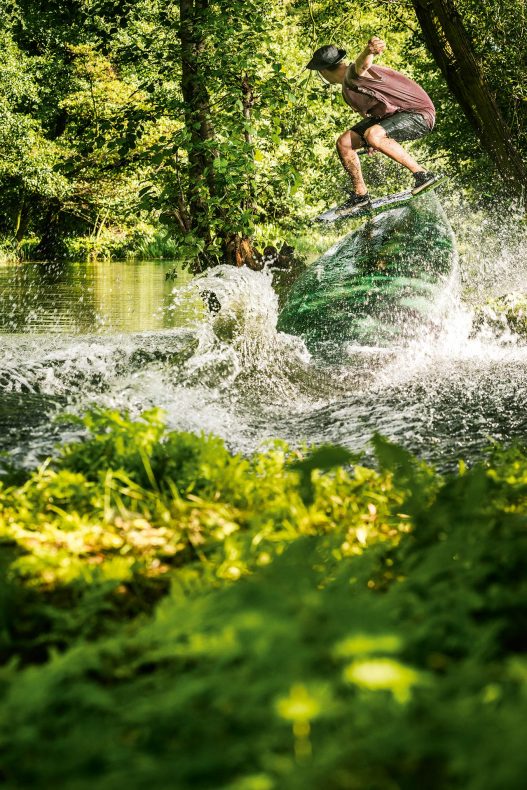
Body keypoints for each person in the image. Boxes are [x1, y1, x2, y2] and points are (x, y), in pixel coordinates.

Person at [306, 38, 438, 213]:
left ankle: (423, 174)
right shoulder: (347, 90)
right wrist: (374, 140)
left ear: (323, 71)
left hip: (420, 115)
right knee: (345, 143)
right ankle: (361, 195)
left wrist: (369, 51)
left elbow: (362, 65)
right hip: (396, 115)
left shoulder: (352, 74)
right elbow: (376, 114)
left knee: (373, 134)